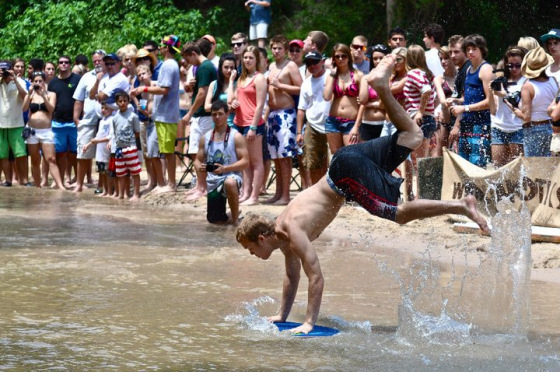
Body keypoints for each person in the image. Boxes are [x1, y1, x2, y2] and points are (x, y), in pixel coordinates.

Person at [235, 54, 490, 335]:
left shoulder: (292, 232)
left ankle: (461, 205)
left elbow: (316, 277)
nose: (253, 254)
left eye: (250, 249)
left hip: (344, 177)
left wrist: (308, 323)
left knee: (400, 214)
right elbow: (291, 276)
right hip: (344, 161)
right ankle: (380, 86)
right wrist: (281, 316)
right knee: (413, 136)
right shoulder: (282, 234)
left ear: (261, 238)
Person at [131, 35, 181, 194]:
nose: (159, 48)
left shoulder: (167, 65)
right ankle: (165, 183)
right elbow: (161, 85)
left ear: (166, 48)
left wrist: (143, 89)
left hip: (166, 115)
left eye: (161, 46)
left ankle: (171, 185)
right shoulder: (171, 64)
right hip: (164, 115)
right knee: (163, 151)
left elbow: (164, 89)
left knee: (167, 152)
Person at [195, 100, 249, 224]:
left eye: (220, 114)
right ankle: (229, 215)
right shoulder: (206, 137)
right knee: (215, 222)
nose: (217, 117)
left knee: (229, 182)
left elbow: (246, 162)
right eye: (214, 114)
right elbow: (197, 160)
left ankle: (235, 220)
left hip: (232, 176)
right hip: (213, 180)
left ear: (227, 114)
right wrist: (200, 168)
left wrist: (225, 169)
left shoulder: (236, 136)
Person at [264, 35, 303, 205]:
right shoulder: (271, 66)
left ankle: (286, 195)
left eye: (280, 48)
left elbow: (301, 88)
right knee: (275, 156)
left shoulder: (291, 66)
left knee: (285, 156)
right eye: (274, 48)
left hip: (286, 115)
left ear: (285, 50)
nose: (276, 51)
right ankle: (278, 193)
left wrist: (281, 86)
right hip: (272, 115)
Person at [228, 46, 267, 206]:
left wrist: (252, 127)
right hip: (239, 122)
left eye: (251, 57)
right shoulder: (241, 78)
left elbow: (260, 105)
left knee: (256, 161)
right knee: (245, 161)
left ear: (256, 59)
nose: (247, 60)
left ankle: (255, 196)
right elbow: (231, 100)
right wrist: (231, 82)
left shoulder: (259, 78)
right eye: (245, 58)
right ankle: (245, 192)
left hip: (253, 123)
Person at [181, 40, 218, 201]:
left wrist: (189, 113)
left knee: (196, 153)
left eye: (188, 60)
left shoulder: (203, 67)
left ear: (194, 54)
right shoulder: (208, 67)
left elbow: (202, 94)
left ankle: (201, 187)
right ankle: (200, 186)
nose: (188, 64)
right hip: (205, 116)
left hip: (202, 115)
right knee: (200, 152)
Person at [450, 34, 493, 168]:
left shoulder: (486, 69)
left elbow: (490, 102)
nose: (470, 52)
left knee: (477, 167)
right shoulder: (469, 69)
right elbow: (468, 98)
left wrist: (464, 108)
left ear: (482, 50)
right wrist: (457, 100)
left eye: (474, 49)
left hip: (481, 126)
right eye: (468, 49)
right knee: (465, 167)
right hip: (466, 125)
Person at [512, 47, 558, 157]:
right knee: (550, 167)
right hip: (552, 128)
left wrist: (512, 107)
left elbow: (526, 116)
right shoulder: (553, 80)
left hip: (534, 130)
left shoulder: (528, 87)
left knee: (533, 169)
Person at [24, 72, 65, 189]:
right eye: (35, 81)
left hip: (46, 131)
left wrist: (43, 96)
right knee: (35, 160)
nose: (38, 83)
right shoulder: (30, 95)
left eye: (40, 81)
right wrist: (28, 93)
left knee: (51, 159)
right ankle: (37, 185)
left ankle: (60, 185)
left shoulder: (51, 94)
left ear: (44, 81)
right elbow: (24, 108)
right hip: (32, 131)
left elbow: (51, 109)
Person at [73, 49, 106, 193]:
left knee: (102, 155)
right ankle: (79, 184)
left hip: (105, 119)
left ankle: (101, 185)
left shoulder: (111, 75)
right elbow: (79, 99)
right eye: (95, 61)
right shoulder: (86, 76)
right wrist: (76, 118)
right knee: (83, 153)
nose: (97, 63)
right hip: (87, 120)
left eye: (100, 60)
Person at [488, 46, 527, 166]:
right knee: (498, 170)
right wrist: (491, 92)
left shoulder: (527, 82)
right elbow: (493, 110)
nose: (514, 69)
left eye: (517, 65)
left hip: (518, 128)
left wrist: (505, 95)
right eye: (510, 65)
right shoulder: (501, 81)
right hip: (498, 127)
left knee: (517, 171)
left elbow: (525, 109)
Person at [323, 43, 363, 154]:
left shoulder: (358, 75)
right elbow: (326, 97)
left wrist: (356, 126)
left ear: (349, 57)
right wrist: (332, 74)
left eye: (343, 56)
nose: (340, 59)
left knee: (352, 155)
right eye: (337, 56)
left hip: (351, 122)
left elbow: (363, 103)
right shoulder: (331, 76)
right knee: (336, 155)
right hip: (333, 121)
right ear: (333, 59)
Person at [48, 55, 81, 186]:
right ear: (58, 64)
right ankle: (60, 181)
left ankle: (79, 181)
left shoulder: (77, 79)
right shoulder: (53, 83)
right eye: (61, 62)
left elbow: (82, 100)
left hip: (74, 122)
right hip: (57, 123)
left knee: (76, 153)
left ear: (70, 64)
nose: (63, 64)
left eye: (66, 62)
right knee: (60, 154)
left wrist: (80, 118)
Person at [0, 61, 29, 187]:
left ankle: (24, 180)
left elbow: (25, 96)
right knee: (3, 155)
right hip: (1, 123)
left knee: (21, 154)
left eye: (6, 70)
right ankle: (8, 180)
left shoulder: (20, 81)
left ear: (11, 69)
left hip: (16, 123)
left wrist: (15, 80)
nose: (4, 72)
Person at [109, 91, 141, 200]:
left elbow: (137, 133)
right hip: (119, 148)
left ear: (128, 101)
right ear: (117, 103)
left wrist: (130, 142)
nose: (122, 103)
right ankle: (121, 194)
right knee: (120, 173)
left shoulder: (133, 116)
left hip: (130, 147)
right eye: (120, 101)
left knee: (134, 172)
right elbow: (115, 133)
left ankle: (136, 194)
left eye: (125, 101)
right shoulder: (114, 118)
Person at [357, 44, 390, 142]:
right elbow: (362, 100)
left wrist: (370, 104)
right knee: (366, 155)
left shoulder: (390, 78)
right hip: (367, 123)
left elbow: (385, 104)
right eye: (375, 58)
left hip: (384, 123)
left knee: (383, 155)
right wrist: (377, 104)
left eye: (381, 58)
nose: (378, 61)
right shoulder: (366, 78)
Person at [83, 101, 114, 197]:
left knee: (108, 172)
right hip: (99, 151)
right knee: (102, 172)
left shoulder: (112, 120)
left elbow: (110, 136)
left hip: (106, 150)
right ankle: (104, 190)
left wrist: (98, 141)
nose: (103, 110)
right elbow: (97, 136)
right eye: (102, 108)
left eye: (106, 108)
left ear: (112, 109)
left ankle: (109, 191)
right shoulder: (101, 121)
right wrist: (88, 144)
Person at [433, 46, 458, 156]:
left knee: (459, 154)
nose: (443, 62)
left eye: (446, 58)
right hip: (444, 120)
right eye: (441, 59)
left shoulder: (461, 76)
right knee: (442, 154)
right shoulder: (439, 79)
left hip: (460, 120)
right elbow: (442, 99)